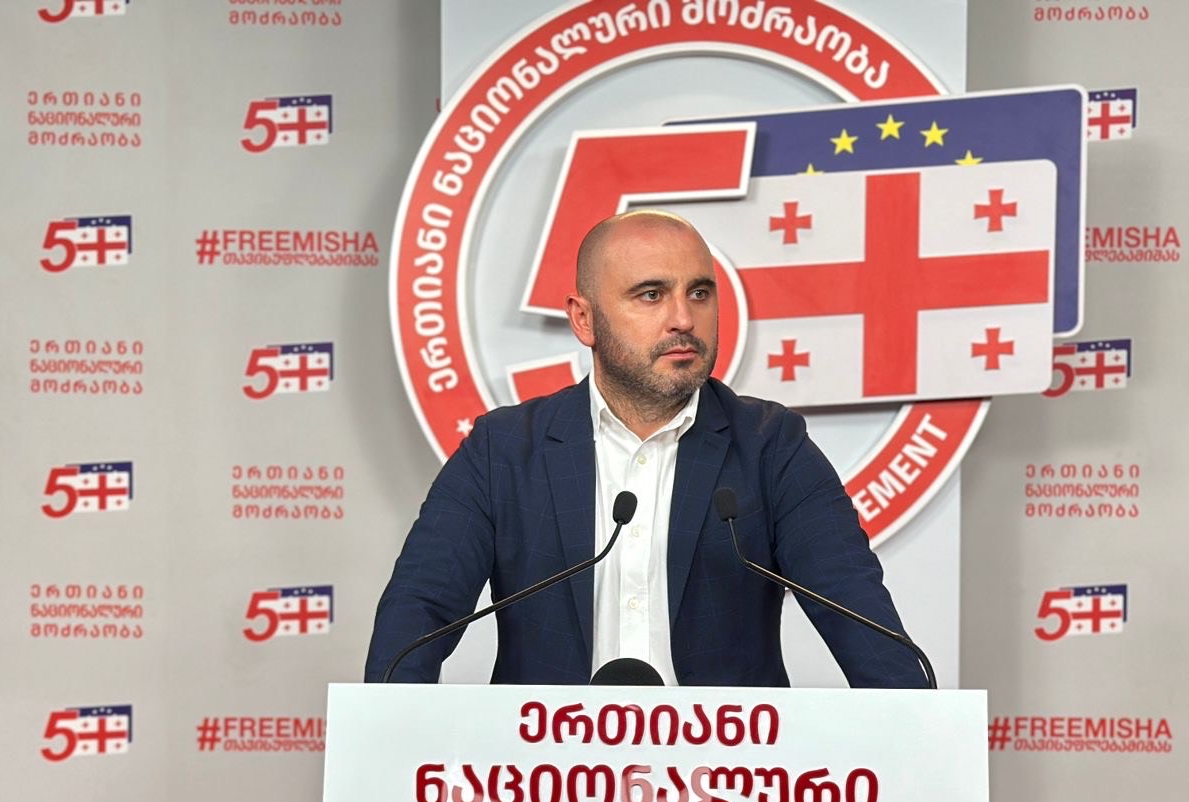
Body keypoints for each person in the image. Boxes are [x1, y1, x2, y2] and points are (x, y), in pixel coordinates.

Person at [364, 210, 926, 688]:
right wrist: (387, 745)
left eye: (699, 293)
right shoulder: (503, 451)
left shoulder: (771, 447)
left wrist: (921, 746)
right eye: (651, 295)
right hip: (544, 772)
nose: (683, 319)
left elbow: (863, 622)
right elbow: (417, 614)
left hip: (727, 776)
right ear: (584, 319)